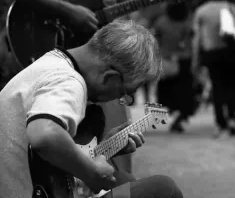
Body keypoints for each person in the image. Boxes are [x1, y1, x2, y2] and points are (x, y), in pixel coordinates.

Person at [5, 0, 203, 173]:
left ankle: (108, 182)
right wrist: (70, 11)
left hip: (97, 56)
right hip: (63, 44)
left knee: (113, 128)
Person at [0, 19, 184, 198]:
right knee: (163, 188)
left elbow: (46, 158)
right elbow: (45, 135)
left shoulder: (51, 63)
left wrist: (101, 150)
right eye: (126, 92)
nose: (124, 99)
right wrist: (92, 173)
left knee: (124, 180)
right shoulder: (69, 81)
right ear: (109, 77)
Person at [191, 0, 235, 138]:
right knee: (234, 87)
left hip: (213, 54)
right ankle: (233, 120)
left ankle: (221, 124)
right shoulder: (231, 6)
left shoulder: (201, 11)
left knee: (217, 88)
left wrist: (196, 59)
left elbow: (197, 38)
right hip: (233, 53)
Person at [153, 2, 199, 133]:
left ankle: (172, 109)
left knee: (167, 91)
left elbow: (155, 40)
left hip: (166, 60)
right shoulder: (187, 22)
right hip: (184, 60)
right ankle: (181, 116)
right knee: (186, 92)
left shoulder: (161, 22)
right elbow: (191, 41)